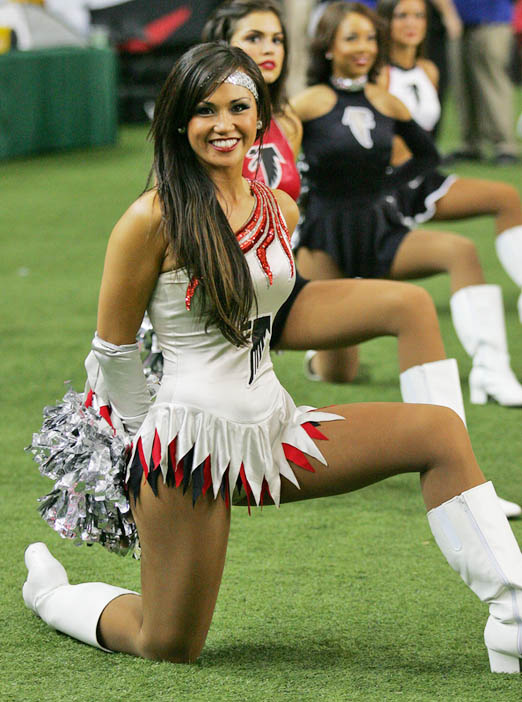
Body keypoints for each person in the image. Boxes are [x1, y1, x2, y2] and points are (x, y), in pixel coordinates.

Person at [22, 41, 522, 673]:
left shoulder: (279, 206)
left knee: (438, 431)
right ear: (180, 120)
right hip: (187, 448)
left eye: (238, 107)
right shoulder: (150, 218)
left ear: (261, 118)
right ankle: (51, 594)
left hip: (276, 428)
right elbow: (114, 351)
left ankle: (514, 617)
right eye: (204, 110)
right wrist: (144, 446)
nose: (222, 124)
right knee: (169, 643)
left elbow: (274, 308)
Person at [201, 0, 520, 517]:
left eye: (277, 39)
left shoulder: (284, 117)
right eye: (254, 37)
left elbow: (298, 194)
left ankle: (464, 474)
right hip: (221, 305)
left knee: (411, 306)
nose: (268, 49)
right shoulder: (209, 116)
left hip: (285, 285)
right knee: (333, 375)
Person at [291, 1, 522, 409]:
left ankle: (493, 372)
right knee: (339, 371)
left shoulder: (386, 102)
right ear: (327, 47)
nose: (363, 47)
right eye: (351, 38)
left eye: (369, 38)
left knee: (461, 250)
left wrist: (387, 185)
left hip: (380, 229)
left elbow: (427, 156)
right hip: (325, 239)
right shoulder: (307, 103)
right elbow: (277, 166)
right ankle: (319, 357)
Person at [376, 0, 522, 329]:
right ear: (385, 23)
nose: (411, 23)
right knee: (369, 285)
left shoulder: (429, 70)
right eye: (402, 16)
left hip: (423, 180)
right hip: (386, 189)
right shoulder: (377, 74)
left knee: (507, 197)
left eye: (418, 16)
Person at [446, 0, 519, 165]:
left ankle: (504, 145)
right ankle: (471, 144)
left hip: (492, 21)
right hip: (459, 20)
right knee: (462, 87)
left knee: (492, 85)